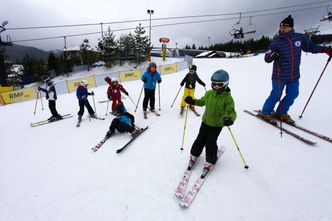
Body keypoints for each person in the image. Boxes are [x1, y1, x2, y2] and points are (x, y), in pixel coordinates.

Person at [259, 15, 332, 123]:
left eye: (285, 27)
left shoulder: (299, 38)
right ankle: (265, 112)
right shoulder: (276, 41)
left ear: (291, 27)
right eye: (281, 27)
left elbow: (311, 47)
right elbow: (267, 57)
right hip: (279, 74)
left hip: (294, 75)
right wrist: (272, 56)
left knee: (293, 94)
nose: (282, 29)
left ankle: (281, 111)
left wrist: (324, 49)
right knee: (276, 95)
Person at [184, 69, 237, 176]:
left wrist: (230, 119)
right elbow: (202, 102)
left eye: (219, 84)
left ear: (225, 84)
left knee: (210, 142)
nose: (216, 86)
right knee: (200, 139)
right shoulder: (209, 94)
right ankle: (194, 155)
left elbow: (231, 112)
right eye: (214, 84)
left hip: (217, 125)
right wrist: (193, 101)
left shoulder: (228, 99)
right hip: (206, 122)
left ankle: (210, 160)